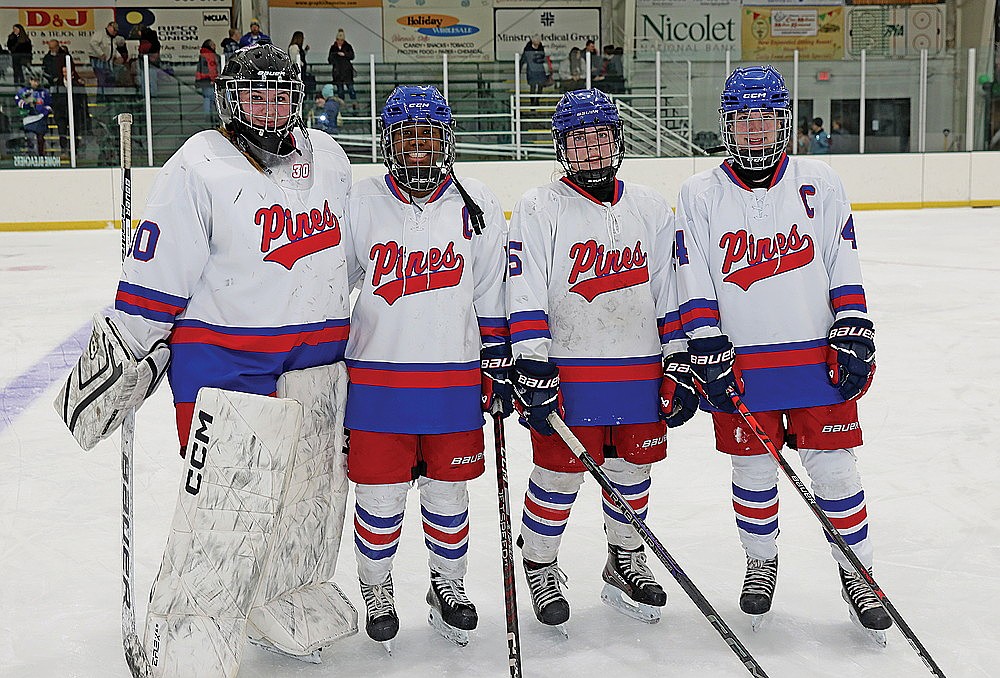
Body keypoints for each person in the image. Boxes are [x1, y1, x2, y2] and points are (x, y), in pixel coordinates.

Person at [54, 43, 358, 672]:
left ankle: (284, 597)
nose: (270, 111)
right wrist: (124, 353)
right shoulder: (198, 168)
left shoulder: (329, 159)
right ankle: (190, 622)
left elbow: (353, 257)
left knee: (309, 499)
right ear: (231, 100)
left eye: (282, 96)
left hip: (318, 364)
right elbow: (154, 280)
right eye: (256, 96)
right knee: (229, 507)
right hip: (226, 362)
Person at [672, 65, 891, 639]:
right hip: (743, 365)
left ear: (783, 123)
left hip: (816, 359)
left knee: (836, 469)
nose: (755, 131)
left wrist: (854, 326)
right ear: (727, 126)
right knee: (753, 470)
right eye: (744, 120)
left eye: (765, 119)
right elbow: (692, 277)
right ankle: (760, 563)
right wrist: (705, 344)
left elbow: (842, 259)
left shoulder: (820, 180)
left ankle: (858, 573)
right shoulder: (699, 194)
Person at [505, 88, 695, 631]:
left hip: (638, 369)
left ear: (617, 141)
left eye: (601, 137)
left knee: (633, 470)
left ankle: (624, 558)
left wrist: (678, 360)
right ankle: (540, 562)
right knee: (557, 475)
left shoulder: (651, 206)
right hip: (569, 372)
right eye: (579, 140)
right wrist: (531, 364)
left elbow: (669, 291)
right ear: (562, 147)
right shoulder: (540, 206)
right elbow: (525, 290)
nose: (591, 149)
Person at [343, 85, 510, 650]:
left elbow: (491, 292)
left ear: (447, 141)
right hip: (376, 382)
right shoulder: (358, 202)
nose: (419, 149)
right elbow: (325, 286)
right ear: (387, 142)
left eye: (429, 137)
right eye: (407, 138)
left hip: (453, 380)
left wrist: (498, 360)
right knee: (380, 496)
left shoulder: (476, 203)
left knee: (449, 492)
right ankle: (377, 585)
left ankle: (448, 585)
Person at [15, 73, 52, 155]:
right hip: (28, 119)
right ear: (30, 80)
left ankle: (41, 156)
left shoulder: (44, 92)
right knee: (30, 139)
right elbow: (19, 102)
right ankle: (31, 156)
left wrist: (44, 110)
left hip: (41, 119)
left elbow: (49, 104)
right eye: (34, 81)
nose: (36, 83)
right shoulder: (23, 91)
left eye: (38, 81)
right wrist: (27, 103)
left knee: (40, 139)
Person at [327, 29, 356, 105]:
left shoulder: (348, 47)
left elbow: (352, 56)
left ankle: (354, 105)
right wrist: (335, 55)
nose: (339, 42)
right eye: (338, 40)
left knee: (351, 90)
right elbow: (329, 59)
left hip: (347, 72)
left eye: (341, 40)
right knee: (340, 91)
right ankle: (342, 106)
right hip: (338, 73)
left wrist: (344, 54)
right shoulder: (333, 48)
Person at [520, 35, 550, 107]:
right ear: (533, 41)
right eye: (537, 41)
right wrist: (519, 70)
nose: (539, 42)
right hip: (532, 71)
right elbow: (523, 60)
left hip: (540, 71)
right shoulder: (528, 49)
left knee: (540, 87)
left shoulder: (541, 48)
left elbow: (543, 59)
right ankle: (532, 103)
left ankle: (537, 100)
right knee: (532, 87)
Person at [195, 38, 219, 121]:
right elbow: (211, 68)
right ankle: (212, 117)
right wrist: (213, 79)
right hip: (209, 81)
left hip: (202, 80)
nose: (215, 46)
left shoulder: (202, 55)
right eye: (213, 44)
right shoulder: (210, 56)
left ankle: (207, 117)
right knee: (213, 99)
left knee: (206, 98)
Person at [88, 21, 116, 92]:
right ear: (109, 27)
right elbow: (93, 43)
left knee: (110, 79)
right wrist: (101, 54)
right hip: (98, 60)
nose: (115, 31)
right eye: (114, 29)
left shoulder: (112, 38)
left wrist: (118, 56)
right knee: (102, 80)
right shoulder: (100, 34)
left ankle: (109, 97)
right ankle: (101, 99)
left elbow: (113, 48)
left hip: (107, 61)